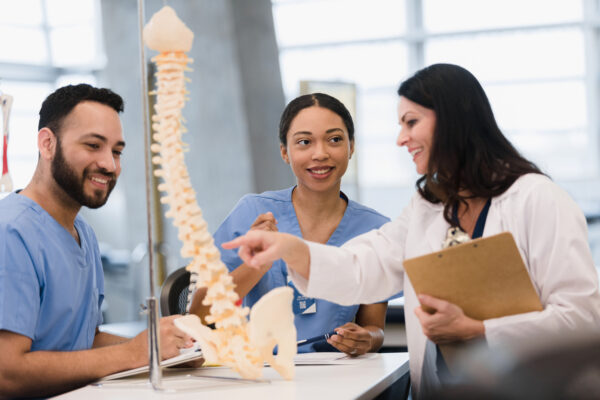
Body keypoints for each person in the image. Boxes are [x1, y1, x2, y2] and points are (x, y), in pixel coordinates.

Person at [222, 64, 600, 397]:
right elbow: (363, 267)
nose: (401, 138)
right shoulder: (428, 208)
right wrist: (291, 248)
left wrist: (478, 329)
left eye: (411, 122)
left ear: (453, 120)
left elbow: (583, 318)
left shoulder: (538, 199)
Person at [0, 84, 194, 398]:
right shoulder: (10, 233)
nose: (110, 164)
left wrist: (164, 348)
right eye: (93, 146)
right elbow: (6, 372)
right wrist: (132, 353)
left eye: (116, 151)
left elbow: (80, 342)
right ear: (47, 144)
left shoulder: (83, 234)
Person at [190, 93, 391, 355]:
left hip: (338, 380)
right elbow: (199, 315)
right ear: (285, 152)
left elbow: (374, 327)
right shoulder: (252, 212)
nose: (320, 153)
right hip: (261, 375)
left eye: (334, 140)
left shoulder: (375, 230)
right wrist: (257, 263)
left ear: (351, 147)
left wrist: (367, 339)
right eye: (304, 142)